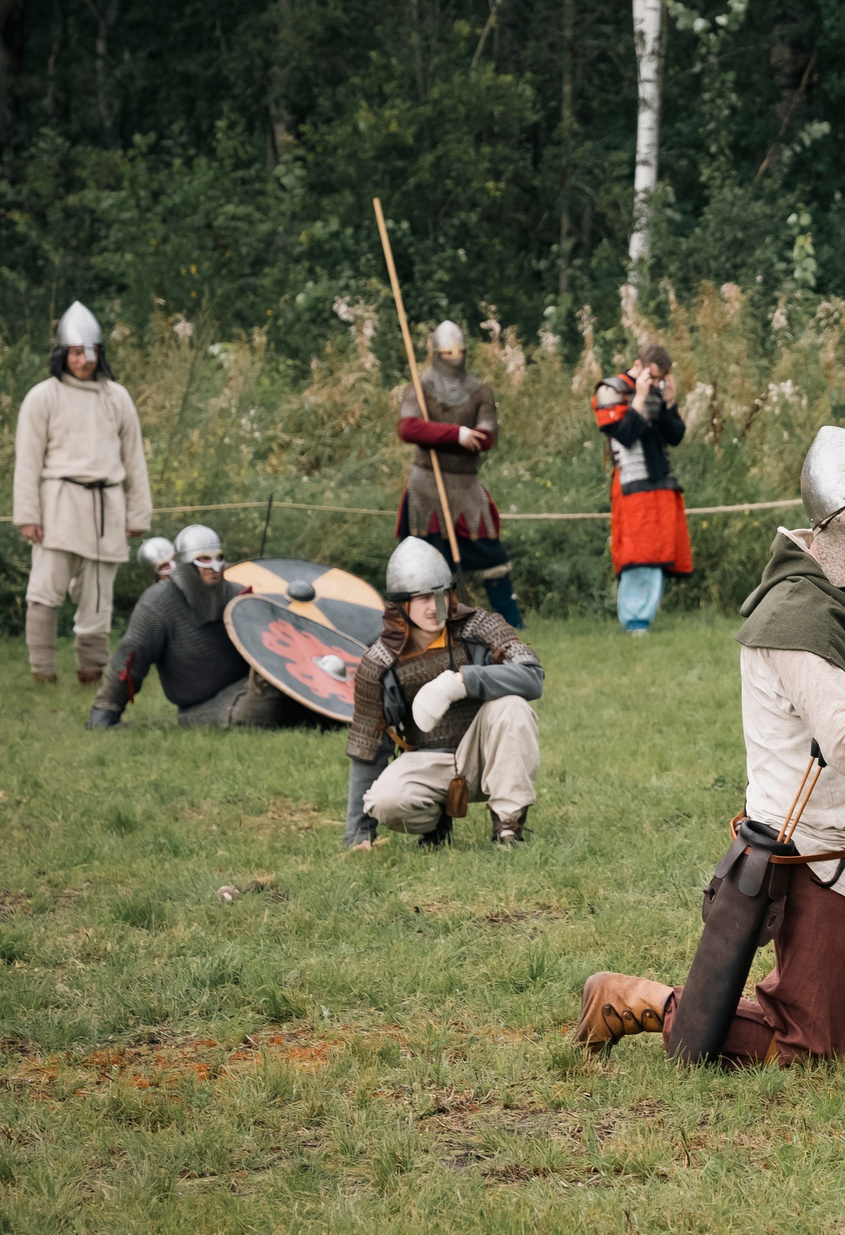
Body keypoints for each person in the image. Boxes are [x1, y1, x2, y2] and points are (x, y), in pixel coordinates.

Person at [569, 428, 845, 1063]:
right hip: (811, 849)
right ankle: (637, 1000)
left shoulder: (838, 590)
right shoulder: (795, 618)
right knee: (807, 1045)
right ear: (836, 513)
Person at [344, 537, 545, 849]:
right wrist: (359, 835)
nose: (434, 607)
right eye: (423, 598)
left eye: (441, 595)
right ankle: (435, 823)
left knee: (512, 706)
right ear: (401, 603)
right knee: (385, 801)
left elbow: (532, 676)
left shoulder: (482, 627)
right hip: (428, 761)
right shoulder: (380, 662)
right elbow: (368, 747)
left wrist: (462, 681)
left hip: (486, 755)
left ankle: (508, 826)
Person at [14, 301, 152, 685]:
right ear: (63, 353)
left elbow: (134, 460)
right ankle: (43, 672)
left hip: (108, 505)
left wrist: (138, 513)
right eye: (75, 352)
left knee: (97, 597)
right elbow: (28, 461)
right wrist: (28, 515)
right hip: (59, 504)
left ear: (99, 353)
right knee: (45, 591)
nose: (83, 360)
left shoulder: (117, 397)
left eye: (89, 352)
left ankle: (91, 672)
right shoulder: (43, 396)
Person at [89, 524, 300, 728]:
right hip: (205, 703)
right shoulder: (159, 602)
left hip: (247, 685)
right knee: (254, 711)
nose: (215, 566)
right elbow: (132, 654)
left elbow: (271, 644)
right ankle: (194, 719)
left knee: (282, 689)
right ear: (185, 564)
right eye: (204, 560)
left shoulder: (238, 595)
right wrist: (106, 708)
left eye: (219, 558)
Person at [397, 319, 521, 628]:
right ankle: (432, 623)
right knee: (427, 562)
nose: (454, 358)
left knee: (493, 556)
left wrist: (453, 435)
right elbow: (408, 428)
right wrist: (457, 434)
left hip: (466, 487)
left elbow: (486, 438)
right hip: (426, 486)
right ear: (437, 354)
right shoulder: (420, 389)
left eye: (458, 352)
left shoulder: (479, 392)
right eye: (447, 353)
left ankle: (511, 623)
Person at [594, 341, 690, 633]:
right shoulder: (611, 390)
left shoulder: (658, 391)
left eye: (662, 378)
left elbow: (675, 436)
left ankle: (645, 617)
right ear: (639, 366)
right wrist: (639, 398)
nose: (658, 382)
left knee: (659, 552)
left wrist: (669, 403)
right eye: (654, 376)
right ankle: (634, 619)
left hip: (661, 482)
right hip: (632, 485)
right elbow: (624, 436)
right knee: (638, 554)